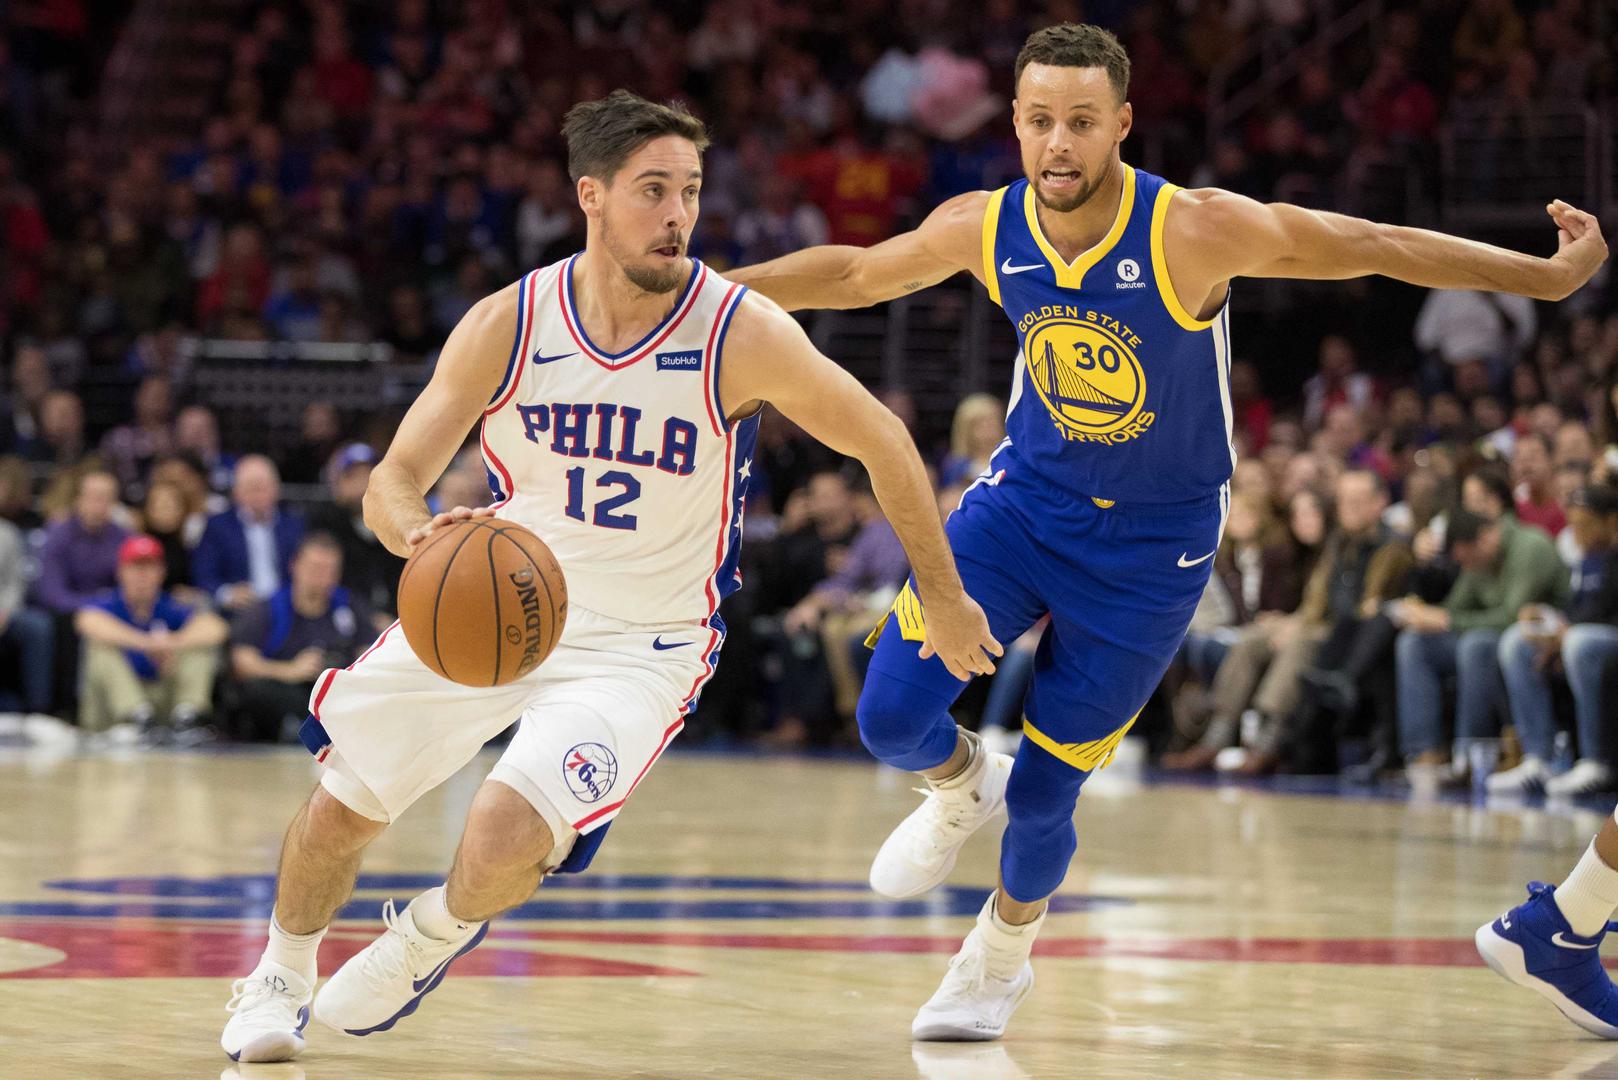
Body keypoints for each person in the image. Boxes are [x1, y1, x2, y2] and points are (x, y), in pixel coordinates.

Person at [728, 21, 1608, 1041]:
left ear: (1123, 125)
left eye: (1082, 122)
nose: (1059, 143)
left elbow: (1373, 245)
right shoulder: (984, 224)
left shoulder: (1192, 229)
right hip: (1024, 506)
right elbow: (852, 275)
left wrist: (1543, 277)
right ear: (1013, 123)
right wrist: (703, 293)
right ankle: (962, 784)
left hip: (1156, 548)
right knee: (887, 716)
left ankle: (998, 960)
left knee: (1048, 796)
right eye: (1040, 121)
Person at [219, 90, 996, 1064]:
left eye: (691, 192)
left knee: (503, 833)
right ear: (591, 195)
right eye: (652, 190)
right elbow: (392, 481)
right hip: (499, 599)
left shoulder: (737, 331)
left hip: (643, 644)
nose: (678, 215)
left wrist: (945, 596)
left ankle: (430, 935)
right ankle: (278, 976)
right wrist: (419, 536)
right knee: (340, 809)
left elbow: (884, 442)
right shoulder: (511, 322)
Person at [1490, 485, 1618, 796]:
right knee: (1517, 641)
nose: (1577, 534)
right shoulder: (1588, 559)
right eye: (1573, 525)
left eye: (1585, 525)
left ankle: (1596, 760)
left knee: (1579, 642)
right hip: (1583, 634)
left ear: (1612, 521)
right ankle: (1538, 758)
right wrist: (1547, 619)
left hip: (1601, 640)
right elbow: (1579, 609)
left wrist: (1566, 633)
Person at [74, 534, 228, 743]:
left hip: (158, 700)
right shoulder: (108, 603)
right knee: (100, 648)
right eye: (136, 568)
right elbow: (86, 621)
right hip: (112, 708)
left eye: (149, 568)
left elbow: (216, 627)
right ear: (121, 571)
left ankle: (187, 717)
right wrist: (146, 644)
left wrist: (173, 643)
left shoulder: (169, 605)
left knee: (199, 648)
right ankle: (134, 716)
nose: (142, 576)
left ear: (161, 572)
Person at [227, 533, 368, 743]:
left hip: (334, 694)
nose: (322, 577)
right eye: (315, 568)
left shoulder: (349, 607)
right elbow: (242, 661)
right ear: (295, 565)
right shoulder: (270, 608)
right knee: (257, 690)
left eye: (330, 570)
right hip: (286, 690)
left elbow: (369, 651)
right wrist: (290, 670)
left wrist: (341, 673)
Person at [192, 455, 305, 612]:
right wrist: (228, 594)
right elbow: (204, 574)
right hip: (239, 610)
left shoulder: (295, 525)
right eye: (251, 488)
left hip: (288, 607)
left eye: (263, 487)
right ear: (236, 492)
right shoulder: (217, 526)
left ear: (277, 489)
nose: (258, 494)